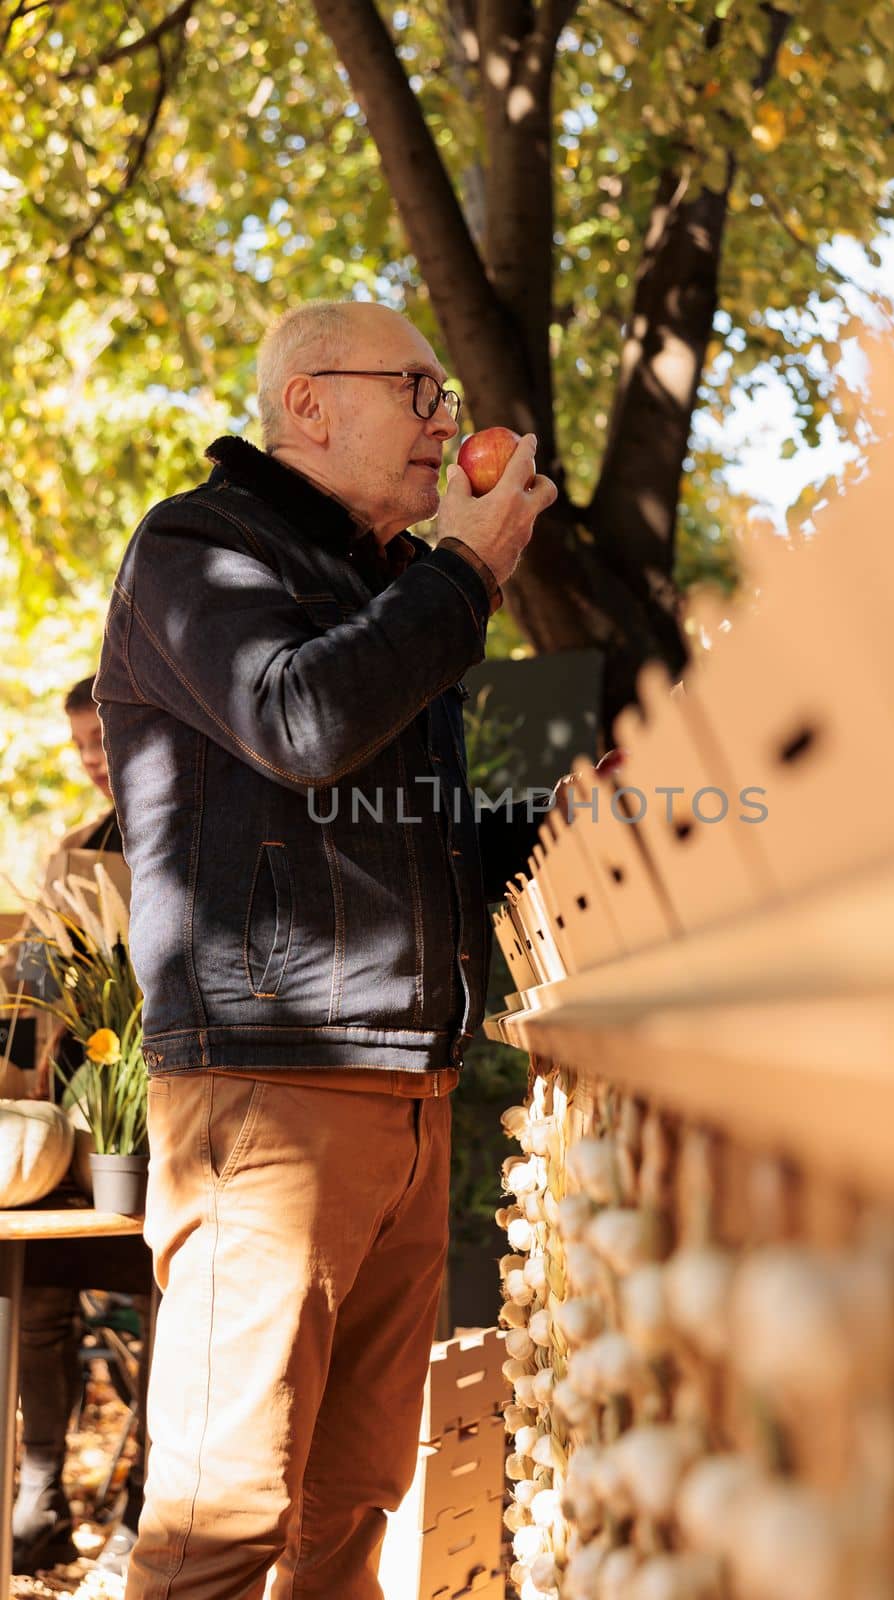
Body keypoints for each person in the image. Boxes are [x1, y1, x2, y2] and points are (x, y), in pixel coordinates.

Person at [94, 299, 559, 1598]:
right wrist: (462, 574)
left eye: (445, 404)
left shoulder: (380, 589)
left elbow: (404, 837)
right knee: (224, 1517)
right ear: (308, 404)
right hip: (272, 1085)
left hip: (406, 1086)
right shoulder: (199, 549)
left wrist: (561, 818)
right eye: (419, 394)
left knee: (350, 1503)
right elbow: (299, 724)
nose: (445, 428)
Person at [0, 678, 152, 1575]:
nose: (96, 760)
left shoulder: (198, 831)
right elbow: (34, 1006)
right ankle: (41, 1493)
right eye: (82, 745)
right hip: (76, 1129)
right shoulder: (72, 855)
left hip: (166, 1132)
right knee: (39, 1288)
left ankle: (144, 1508)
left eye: (105, 738)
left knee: (169, 1305)